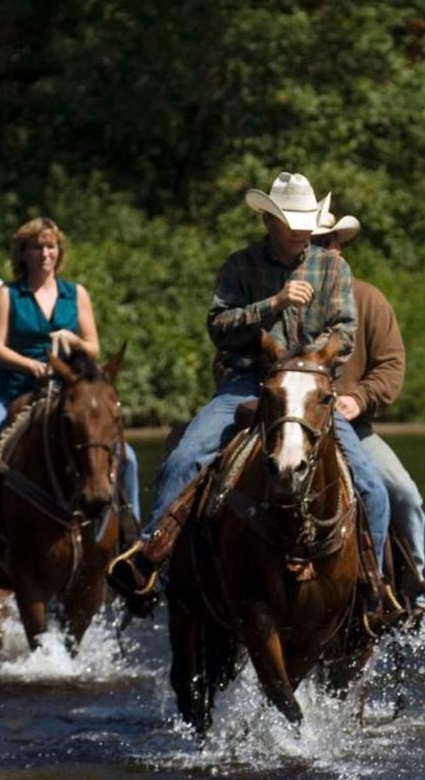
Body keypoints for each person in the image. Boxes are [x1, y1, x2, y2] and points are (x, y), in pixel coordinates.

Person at [108, 172, 360, 606]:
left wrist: (301, 364)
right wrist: (274, 304)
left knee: (370, 484)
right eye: (290, 223)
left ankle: (371, 587)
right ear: (269, 222)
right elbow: (218, 326)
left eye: (305, 223)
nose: (301, 232)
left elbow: (346, 330)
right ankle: (151, 559)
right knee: (185, 458)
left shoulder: (334, 266)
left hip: (308, 388)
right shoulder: (239, 266)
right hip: (245, 381)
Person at [0, 217, 142, 529]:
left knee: (126, 457)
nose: (45, 253)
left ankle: (131, 536)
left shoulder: (76, 294)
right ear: (23, 253)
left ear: (59, 252)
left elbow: (93, 347)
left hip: (67, 393)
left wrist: (72, 339)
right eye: (37, 247)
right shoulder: (8, 294)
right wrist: (29, 364)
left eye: (51, 246)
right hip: (13, 391)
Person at [315, 209, 425, 602]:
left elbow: (391, 365)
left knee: (405, 495)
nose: (327, 251)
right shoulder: (282, 300)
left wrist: (357, 398)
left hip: (355, 429)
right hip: (292, 426)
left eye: (330, 242)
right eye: (315, 244)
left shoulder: (367, 298)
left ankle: (420, 587)